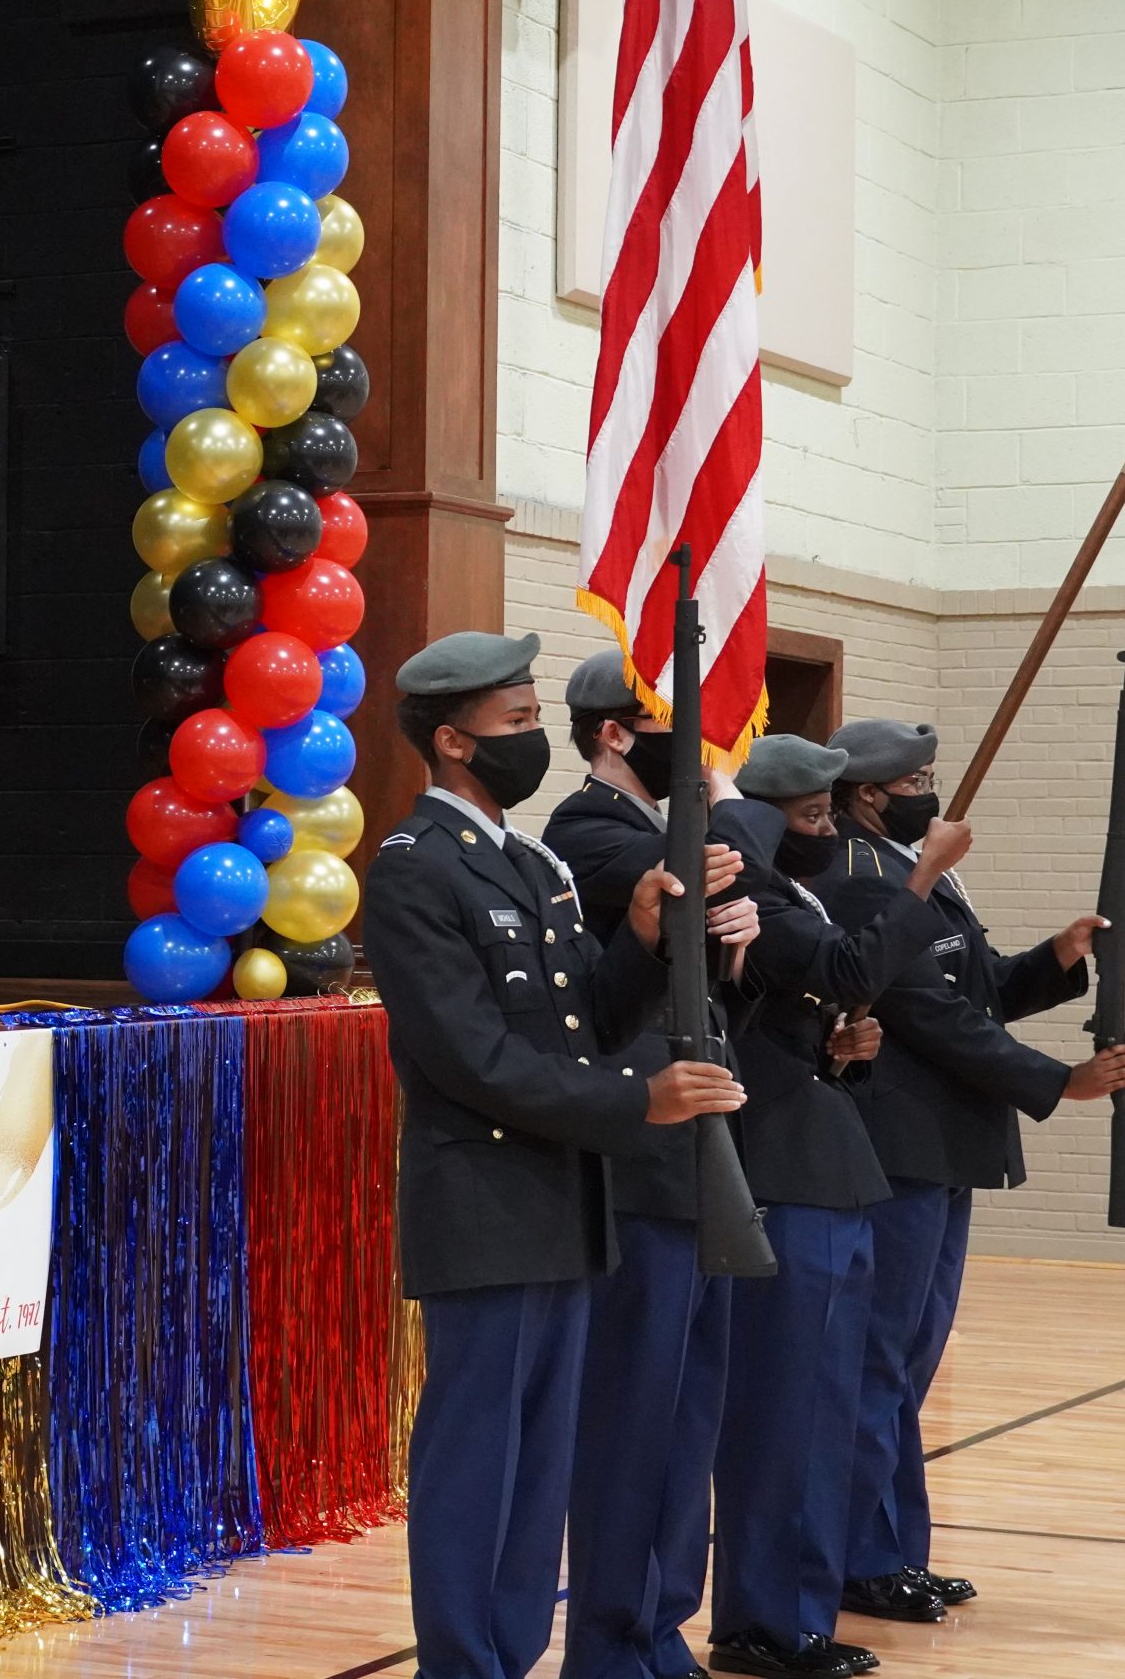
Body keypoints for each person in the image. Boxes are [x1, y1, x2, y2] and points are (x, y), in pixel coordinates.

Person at [364, 630, 746, 1679]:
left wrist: (638, 933)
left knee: (541, 1473)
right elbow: (473, 1060)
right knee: (479, 1461)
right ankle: (462, 1662)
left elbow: (587, 1014)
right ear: (451, 742)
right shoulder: (414, 871)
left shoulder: (528, 863)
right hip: (483, 1204)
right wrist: (640, 1102)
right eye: (516, 724)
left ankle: (514, 1654)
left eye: (534, 718)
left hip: (565, 1199)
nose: (533, 739)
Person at [815, 718, 1125, 1626]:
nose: (931, 785)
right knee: (879, 1359)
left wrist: (1060, 956)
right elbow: (927, 1013)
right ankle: (860, 1556)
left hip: (946, 1145)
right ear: (869, 791)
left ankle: (895, 1550)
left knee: (910, 1363)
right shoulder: (857, 874)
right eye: (916, 774)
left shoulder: (913, 864)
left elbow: (979, 985)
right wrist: (1059, 1082)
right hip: (898, 1146)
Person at [702, 734, 967, 1679]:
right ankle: (764, 1620)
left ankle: (799, 1610)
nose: (825, 832)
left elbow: (805, 1007)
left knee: (825, 1402)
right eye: (811, 818)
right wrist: (919, 883)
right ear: (764, 815)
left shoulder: (791, 892)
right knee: (785, 1412)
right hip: (779, 1169)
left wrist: (835, 1044)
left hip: (825, 1161)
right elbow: (850, 968)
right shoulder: (748, 895)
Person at [544, 650, 758, 1679]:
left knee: (687, 1415)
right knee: (634, 1421)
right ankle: (610, 1640)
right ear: (615, 733)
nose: (700, 740)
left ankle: (659, 1628)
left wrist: (737, 943)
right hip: (642, 1156)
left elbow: (702, 987)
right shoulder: (588, 830)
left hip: (699, 1147)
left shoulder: (653, 832)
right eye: (674, 720)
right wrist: (726, 805)